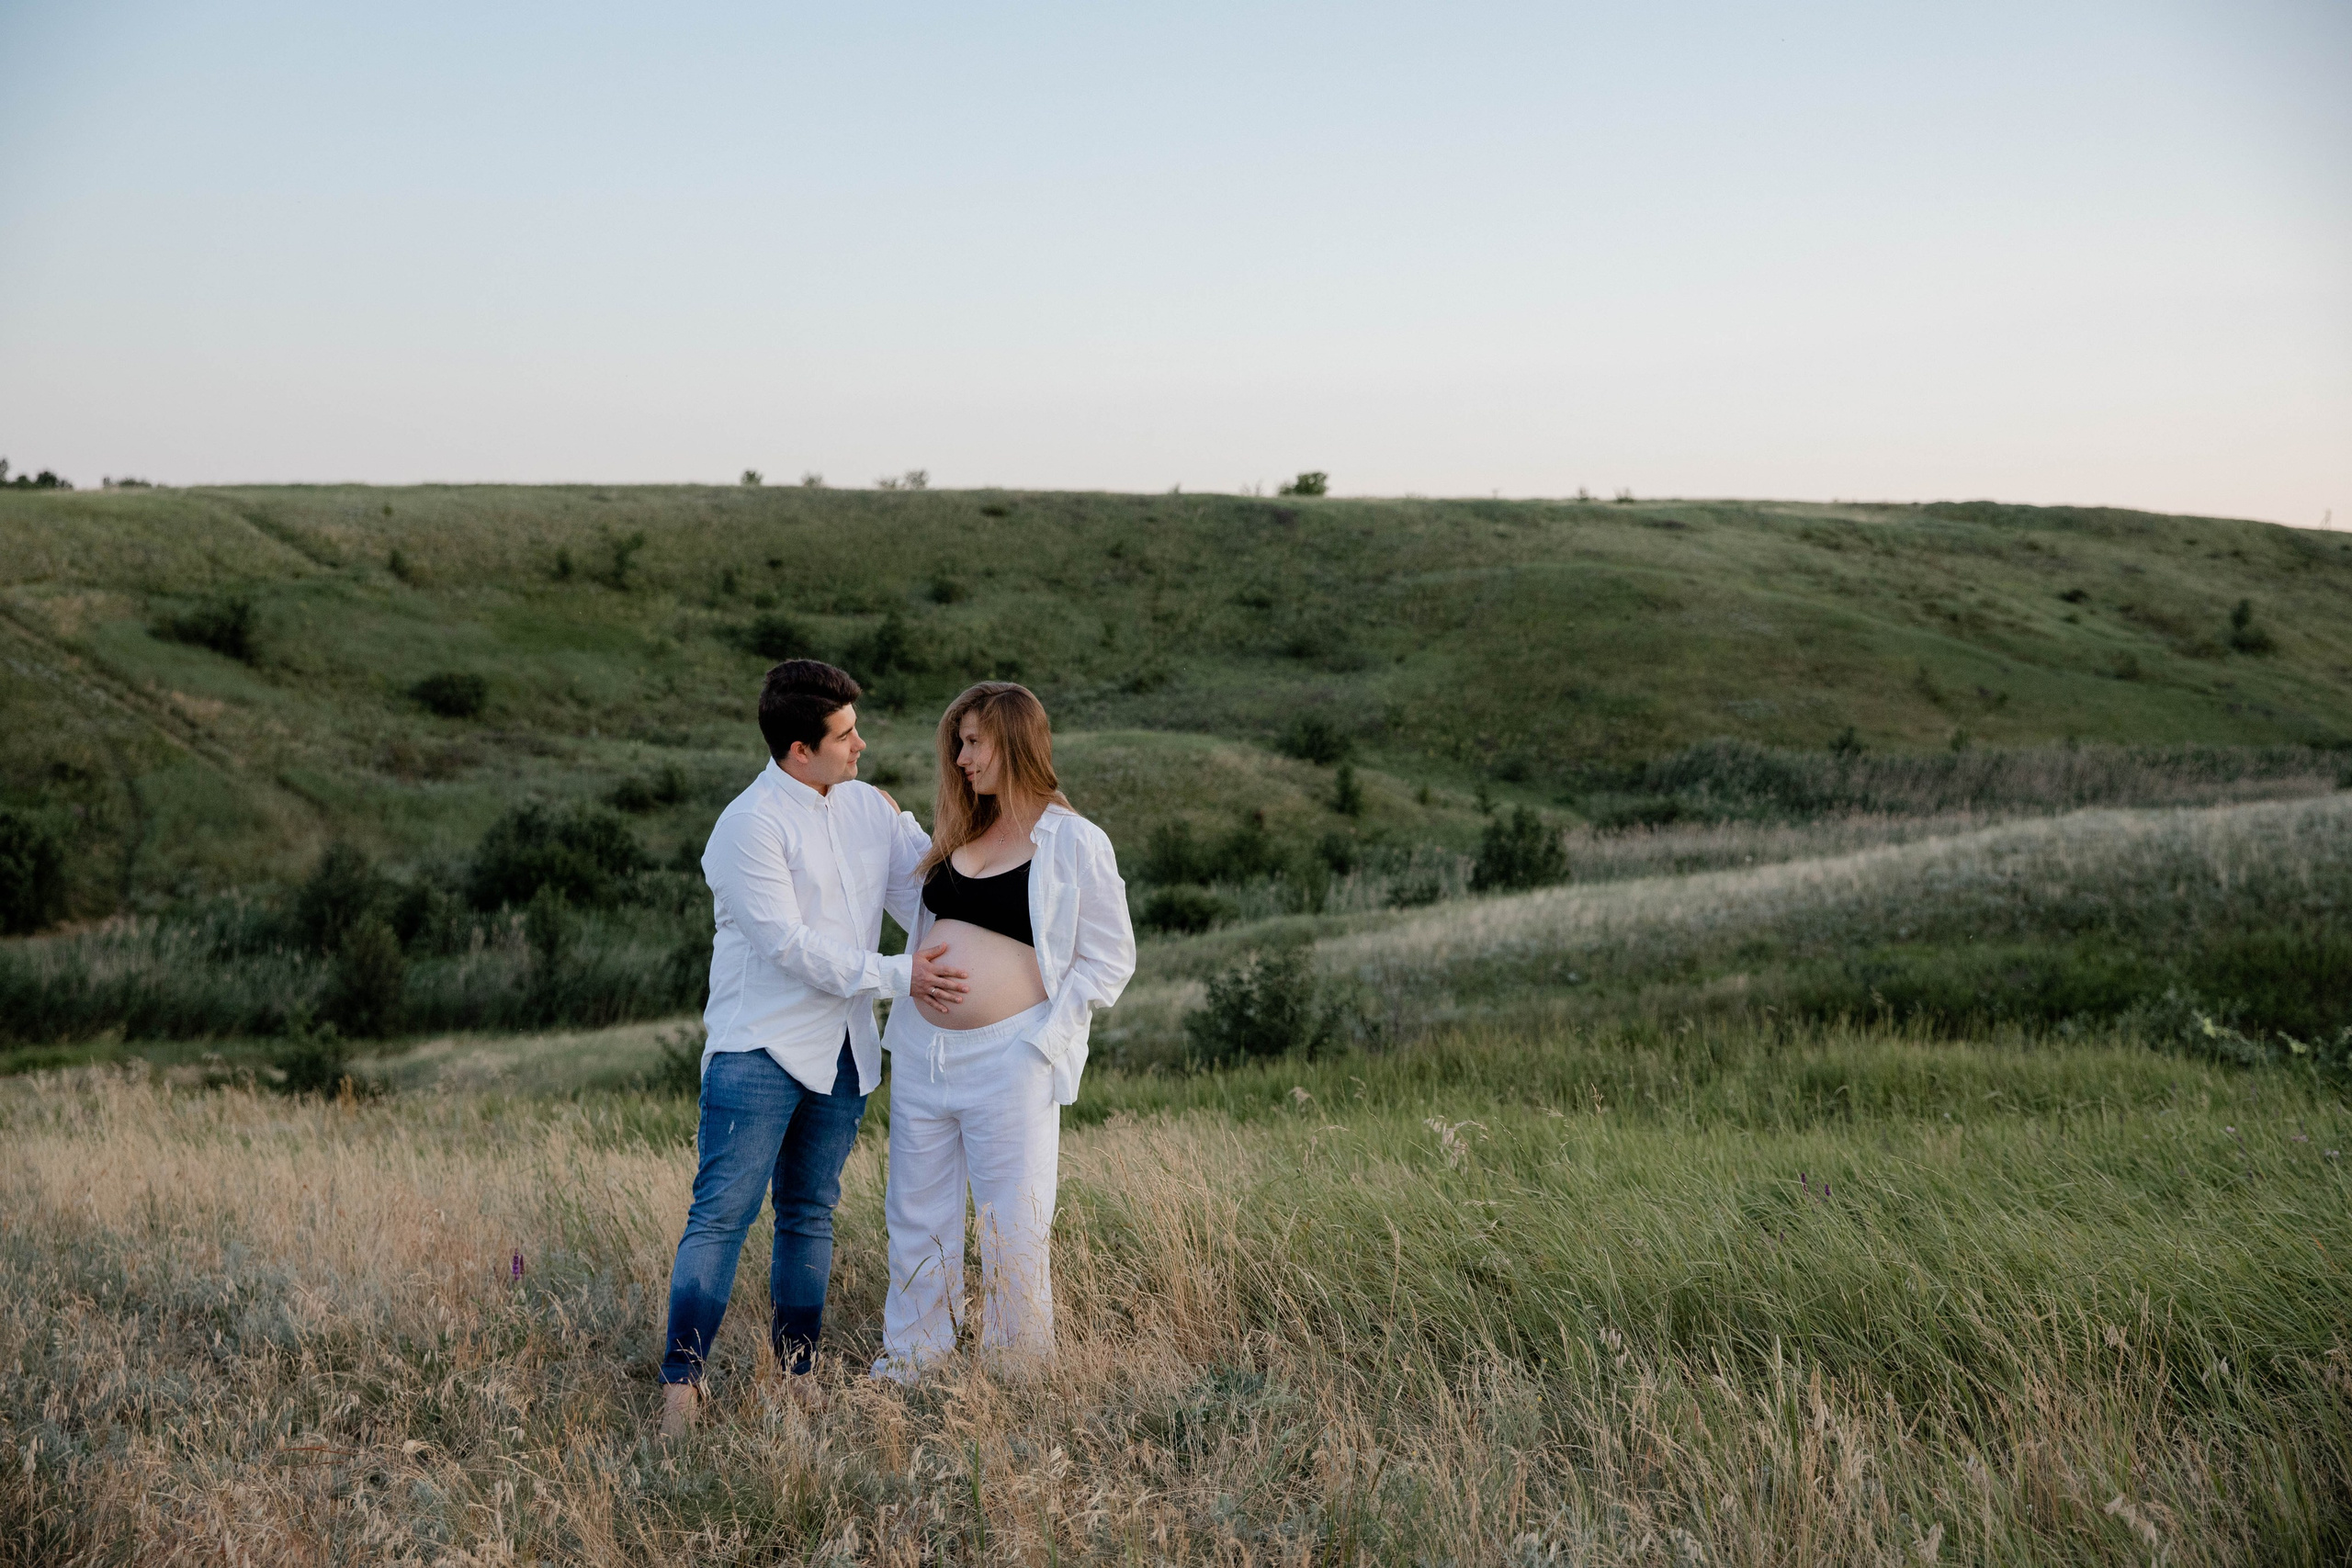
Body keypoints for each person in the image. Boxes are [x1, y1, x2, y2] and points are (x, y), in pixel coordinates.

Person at [659, 660, 966, 1437]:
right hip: (758, 1047)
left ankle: (796, 1377)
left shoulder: (868, 808)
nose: (862, 744)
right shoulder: (747, 826)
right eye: (845, 734)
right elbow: (791, 946)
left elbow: (926, 896)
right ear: (799, 748)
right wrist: (901, 975)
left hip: (845, 1052)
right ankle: (680, 1392)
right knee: (722, 1216)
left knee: (809, 1215)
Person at [873, 681, 1136, 1381]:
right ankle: (914, 1361)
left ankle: (1019, 1371)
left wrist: (1047, 1030)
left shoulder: (1073, 839)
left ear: (1015, 741)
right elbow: (915, 907)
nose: (961, 757)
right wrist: (887, 821)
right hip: (924, 1051)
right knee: (915, 1215)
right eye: (957, 742)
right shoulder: (959, 833)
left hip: (1011, 1053)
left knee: (1013, 1222)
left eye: (974, 741)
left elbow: (1111, 955)